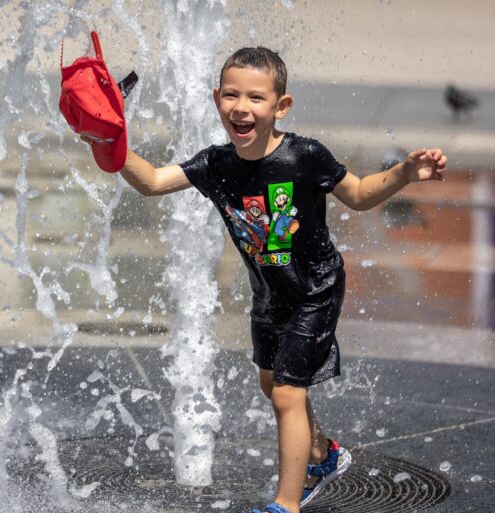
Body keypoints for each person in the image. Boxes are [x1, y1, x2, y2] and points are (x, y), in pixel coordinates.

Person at [78, 47, 447, 513]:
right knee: (272, 384)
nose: (241, 106)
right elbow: (150, 181)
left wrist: (404, 173)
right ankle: (325, 454)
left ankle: (285, 505)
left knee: (289, 395)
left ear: (280, 107)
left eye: (255, 97)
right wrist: (101, 139)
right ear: (216, 100)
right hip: (270, 295)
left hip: (315, 290)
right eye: (230, 95)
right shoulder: (216, 164)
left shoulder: (305, 157)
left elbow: (356, 194)